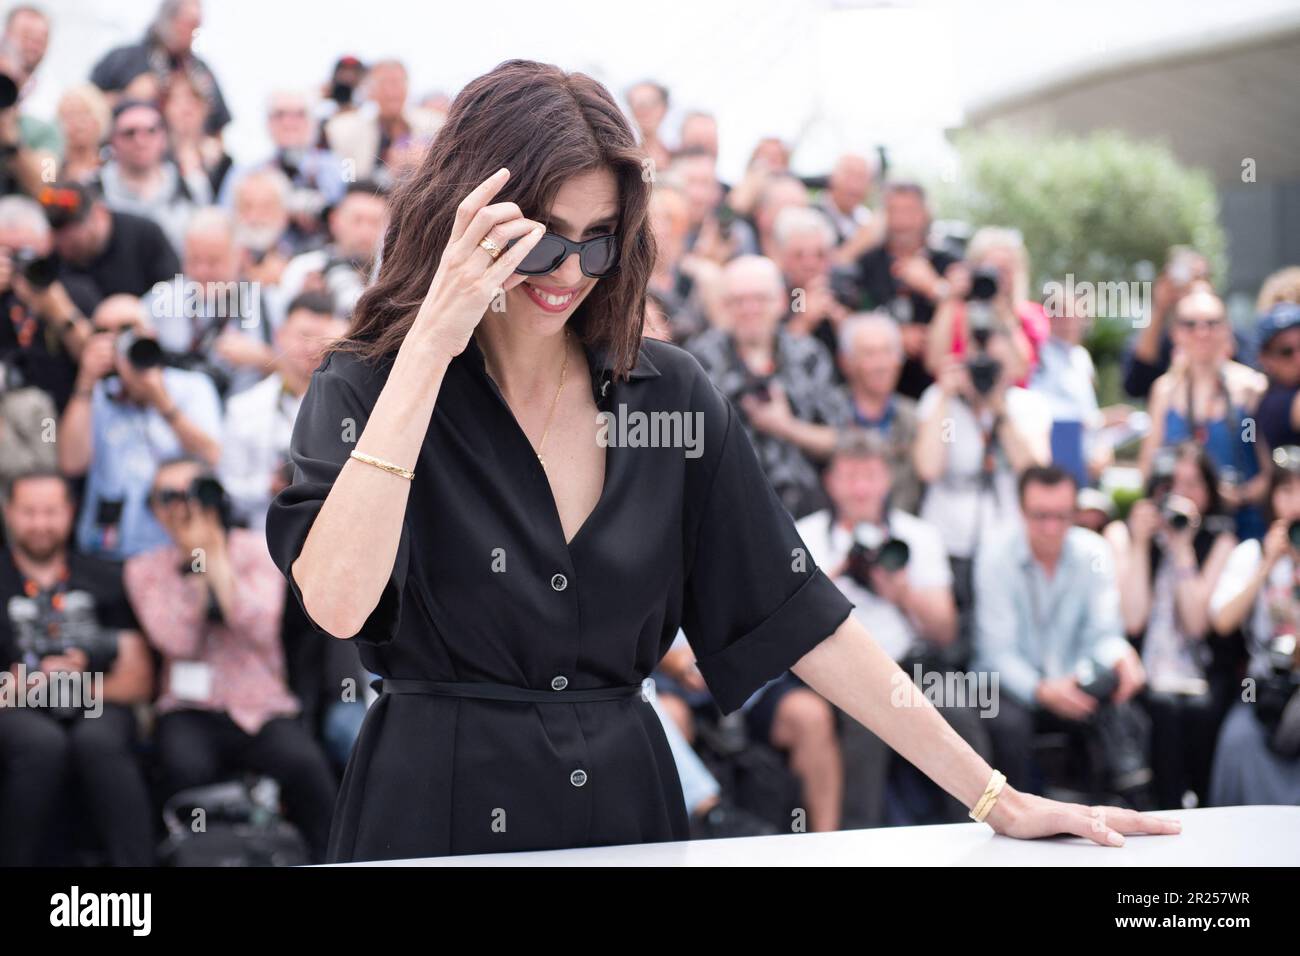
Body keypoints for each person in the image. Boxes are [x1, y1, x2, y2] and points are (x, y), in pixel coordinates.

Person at [264, 59, 1178, 863]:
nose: (569, 271)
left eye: (598, 240)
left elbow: (801, 615)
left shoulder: (671, 393)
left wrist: (994, 796)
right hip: (434, 808)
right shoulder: (362, 385)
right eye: (540, 236)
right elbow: (338, 599)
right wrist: (429, 341)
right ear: (468, 214)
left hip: (624, 805)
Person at [124, 456, 336, 862]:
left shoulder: (257, 549)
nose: (185, 507)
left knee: (305, 765)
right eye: (168, 497)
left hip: (261, 705)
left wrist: (216, 556)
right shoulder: (144, 569)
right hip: (190, 707)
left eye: (195, 492)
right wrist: (193, 566)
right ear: (153, 510)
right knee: (183, 767)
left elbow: (258, 626)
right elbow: (178, 641)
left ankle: (330, 857)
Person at [797, 429, 990, 827]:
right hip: (840, 671)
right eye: (850, 476)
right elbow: (790, 626)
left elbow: (946, 632)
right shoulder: (805, 536)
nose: (861, 488)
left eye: (869, 475)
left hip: (911, 665)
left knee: (960, 712)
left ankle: (982, 831)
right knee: (865, 730)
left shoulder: (917, 535)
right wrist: (833, 578)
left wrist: (902, 593)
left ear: (887, 479)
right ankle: (857, 846)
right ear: (830, 482)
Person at [0, 470, 155, 866]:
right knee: (40, 745)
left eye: (51, 511)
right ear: (9, 513)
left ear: (70, 513)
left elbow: (139, 679)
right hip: (16, 709)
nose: (40, 523)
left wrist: (69, 687)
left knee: (99, 742)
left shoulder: (106, 576)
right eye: (29, 512)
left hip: (97, 700)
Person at [974, 466, 1154, 806]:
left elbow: (1104, 633)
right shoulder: (995, 556)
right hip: (1013, 686)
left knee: (1135, 695)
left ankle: (1126, 805)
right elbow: (996, 652)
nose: (1051, 528)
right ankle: (1018, 816)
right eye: (1040, 516)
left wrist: (1120, 654)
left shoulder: (1094, 552)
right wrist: (1042, 690)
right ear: (1021, 512)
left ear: (1075, 512)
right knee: (1006, 722)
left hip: (1077, 678)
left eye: (1061, 516)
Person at [1104, 442, 1239, 808]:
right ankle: (1162, 810)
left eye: (1193, 484)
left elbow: (1197, 625)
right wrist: (1142, 546)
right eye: (1172, 483)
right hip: (1145, 671)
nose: (1181, 493)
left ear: (1209, 493)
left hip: (1201, 670)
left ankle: (1203, 810)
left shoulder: (1219, 539)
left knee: (1197, 710)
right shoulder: (1127, 534)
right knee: (1161, 708)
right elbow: (1133, 619)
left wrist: (1182, 549)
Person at [685, 255, 849, 519]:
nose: (750, 309)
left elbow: (842, 440)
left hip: (804, 513)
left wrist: (787, 427)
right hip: (726, 512)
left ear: (782, 302)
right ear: (724, 306)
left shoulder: (808, 355)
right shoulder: (699, 360)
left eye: (760, 298)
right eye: (738, 300)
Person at [58, 295, 221, 559]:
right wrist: (86, 381)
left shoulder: (192, 386)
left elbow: (212, 455)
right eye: (103, 331)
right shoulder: (92, 395)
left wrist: (160, 399)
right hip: (110, 552)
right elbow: (71, 463)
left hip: (179, 553)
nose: (116, 341)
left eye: (126, 329)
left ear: (151, 333)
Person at [1207, 447, 1300, 805]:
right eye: (1286, 491)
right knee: (1237, 740)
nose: (1295, 503)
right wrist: (1267, 564)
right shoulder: (1251, 553)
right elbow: (1223, 621)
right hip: (1262, 689)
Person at [1139, 289, 1269, 540]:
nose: (1202, 332)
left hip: (1241, 527)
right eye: (1190, 324)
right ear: (1175, 333)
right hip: (1181, 529)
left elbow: (1263, 464)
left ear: (1227, 329)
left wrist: (1238, 495)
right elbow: (1148, 468)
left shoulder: (1250, 389)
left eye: (1212, 323)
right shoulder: (1165, 391)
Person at [219, 291, 345, 529]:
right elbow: (229, 488)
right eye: (304, 336)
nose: (312, 347)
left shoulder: (346, 403)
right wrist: (269, 486)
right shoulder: (245, 406)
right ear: (279, 335)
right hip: (263, 535)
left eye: (323, 338)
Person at [849, 182, 960, 399]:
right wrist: (895, 336)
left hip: (936, 384)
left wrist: (935, 288)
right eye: (894, 211)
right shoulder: (867, 263)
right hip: (880, 389)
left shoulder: (949, 262)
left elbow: (966, 313)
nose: (901, 221)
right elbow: (852, 315)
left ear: (925, 216)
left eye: (909, 212)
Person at [89, 0, 230, 135]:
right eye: (190, 25)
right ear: (168, 20)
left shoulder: (199, 71)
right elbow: (83, 108)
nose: (194, 33)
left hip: (183, 156)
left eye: (198, 26)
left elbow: (218, 128)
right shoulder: (123, 60)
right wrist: (127, 97)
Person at [40, 181, 180, 314]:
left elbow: (173, 295)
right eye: (57, 231)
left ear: (98, 213)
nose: (64, 238)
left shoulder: (145, 236)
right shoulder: (53, 254)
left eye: (71, 227)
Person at [837, 312, 922, 514]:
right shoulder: (826, 411)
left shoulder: (913, 417)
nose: (881, 364)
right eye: (869, 354)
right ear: (846, 362)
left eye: (888, 352)